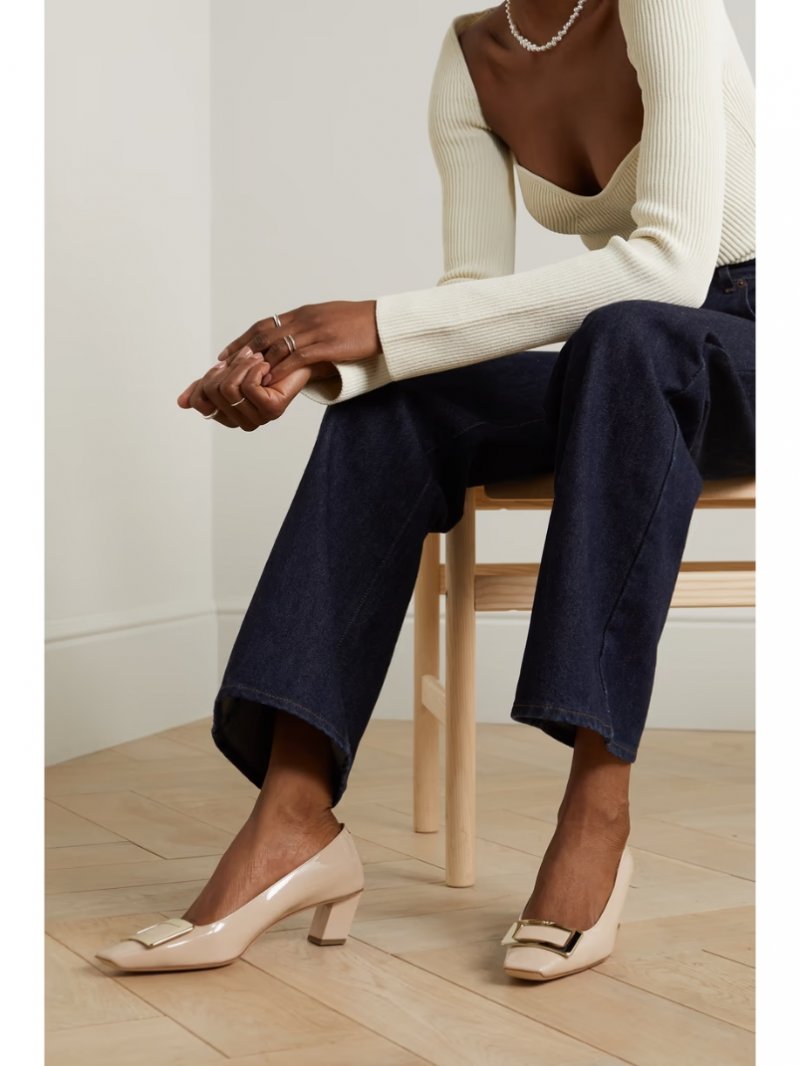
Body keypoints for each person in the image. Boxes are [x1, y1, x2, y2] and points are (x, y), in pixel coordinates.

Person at [95, 0, 755, 981]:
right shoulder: (470, 54)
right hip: (629, 356)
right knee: (393, 406)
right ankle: (293, 816)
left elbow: (665, 269)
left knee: (624, 335)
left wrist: (377, 323)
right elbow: (469, 300)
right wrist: (327, 365)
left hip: (745, 344)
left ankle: (596, 804)